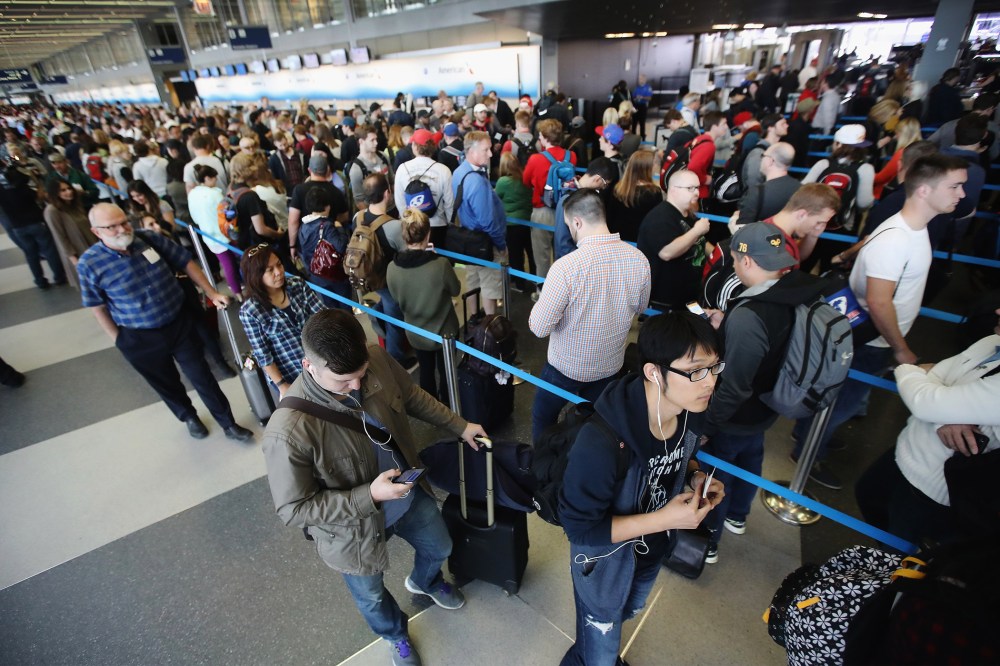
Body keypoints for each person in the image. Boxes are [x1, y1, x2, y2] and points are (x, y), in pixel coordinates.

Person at [261, 309, 487, 666]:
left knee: (441, 546)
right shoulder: (287, 432)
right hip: (351, 532)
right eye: (343, 381)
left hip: (406, 496)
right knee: (371, 596)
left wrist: (458, 425)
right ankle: (395, 635)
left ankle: (425, 581)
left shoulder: (377, 358)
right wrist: (369, 496)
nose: (356, 386)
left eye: (361, 375)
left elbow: (411, 396)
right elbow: (294, 508)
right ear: (309, 367)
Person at [792, 154, 970, 489]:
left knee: (839, 400)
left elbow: (870, 242)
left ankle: (813, 437)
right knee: (841, 402)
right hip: (871, 338)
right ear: (924, 191)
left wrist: (846, 254)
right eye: (954, 185)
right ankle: (807, 452)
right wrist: (901, 350)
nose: (961, 194)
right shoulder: (898, 240)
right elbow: (877, 299)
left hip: (873, 336)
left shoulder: (904, 228)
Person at [558, 312, 725, 666]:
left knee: (627, 611)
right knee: (600, 647)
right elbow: (580, 529)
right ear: (653, 372)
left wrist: (695, 477)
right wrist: (664, 518)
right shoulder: (602, 442)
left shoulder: (689, 408)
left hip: (651, 551)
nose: (709, 382)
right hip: (604, 563)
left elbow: (681, 459)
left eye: (714, 368)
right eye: (696, 370)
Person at [701, 222, 826, 563]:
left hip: (737, 412)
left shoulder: (749, 316)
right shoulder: (792, 290)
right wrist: (726, 324)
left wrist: (707, 426)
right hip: (770, 403)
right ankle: (739, 515)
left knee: (719, 469)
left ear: (747, 262)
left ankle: (709, 537)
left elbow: (735, 386)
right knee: (751, 457)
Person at [77, 203, 253, 442]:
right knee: (166, 383)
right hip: (138, 337)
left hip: (177, 322)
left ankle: (228, 423)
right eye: (112, 227)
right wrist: (118, 340)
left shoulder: (149, 239)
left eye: (124, 222)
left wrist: (212, 293)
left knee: (202, 376)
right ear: (96, 231)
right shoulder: (89, 264)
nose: (122, 229)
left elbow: (186, 262)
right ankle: (188, 416)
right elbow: (96, 306)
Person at [855, 306, 999, 546]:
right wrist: (944, 414)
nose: (997, 309)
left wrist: (908, 370)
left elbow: (924, 400)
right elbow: (937, 374)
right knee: (867, 496)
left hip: (934, 490)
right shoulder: (991, 342)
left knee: (897, 554)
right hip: (905, 452)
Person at [529, 189, 651, 442]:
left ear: (577, 222)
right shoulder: (638, 259)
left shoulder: (566, 268)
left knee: (543, 418)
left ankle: (541, 470)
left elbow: (539, 328)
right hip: (609, 366)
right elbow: (640, 309)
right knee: (599, 430)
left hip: (564, 368)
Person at [386, 208, 461, 400]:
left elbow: (395, 298)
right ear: (428, 234)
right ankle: (450, 404)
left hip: (415, 332)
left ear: (404, 235)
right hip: (445, 331)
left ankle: (432, 410)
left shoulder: (392, 268)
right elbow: (456, 289)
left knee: (425, 372)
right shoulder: (441, 264)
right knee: (447, 372)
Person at [238, 244, 325, 402]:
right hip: (291, 374)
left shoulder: (297, 285)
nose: (278, 272)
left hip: (320, 361)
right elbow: (263, 355)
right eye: (270, 270)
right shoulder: (250, 311)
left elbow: (323, 316)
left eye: (279, 264)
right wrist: (282, 385)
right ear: (256, 275)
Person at [637, 169, 711, 310]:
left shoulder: (688, 215)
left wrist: (720, 255)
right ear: (673, 190)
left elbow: (699, 241)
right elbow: (667, 252)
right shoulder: (660, 217)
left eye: (697, 187)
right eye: (690, 188)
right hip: (665, 300)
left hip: (689, 295)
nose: (697, 192)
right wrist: (696, 231)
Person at [453, 131, 508, 315]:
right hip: (486, 243)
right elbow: (488, 222)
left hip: (469, 240)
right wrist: (501, 245)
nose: (491, 154)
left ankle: (475, 319)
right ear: (472, 151)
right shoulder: (476, 182)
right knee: (490, 287)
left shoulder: (459, 172)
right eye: (486, 150)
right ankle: (489, 327)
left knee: (473, 281)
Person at [522, 119, 576, 281]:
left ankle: (543, 291)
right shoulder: (571, 156)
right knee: (563, 254)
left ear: (545, 138)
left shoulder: (535, 159)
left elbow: (526, 181)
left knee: (542, 255)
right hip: (566, 210)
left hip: (542, 210)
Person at [0, 164, 67, 290]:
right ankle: (59, 277)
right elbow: (39, 197)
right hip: (36, 222)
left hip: (17, 226)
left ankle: (40, 281)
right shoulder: (22, 187)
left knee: (30, 255)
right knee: (49, 250)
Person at [393, 128, 454, 247]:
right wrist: (449, 222)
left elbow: (400, 202)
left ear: (415, 147)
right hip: (438, 225)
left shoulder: (402, 168)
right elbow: (449, 203)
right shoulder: (444, 170)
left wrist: (406, 219)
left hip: (412, 225)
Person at [188, 164, 241, 295]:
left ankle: (237, 291)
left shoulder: (192, 194)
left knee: (227, 264)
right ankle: (244, 286)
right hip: (225, 234)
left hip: (208, 236)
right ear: (207, 178)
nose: (216, 180)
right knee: (239, 261)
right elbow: (226, 215)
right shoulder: (215, 194)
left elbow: (194, 218)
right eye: (214, 178)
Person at [297, 185, 353, 309]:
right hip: (333, 275)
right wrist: (340, 228)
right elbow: (341, 247)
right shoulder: (326, 225)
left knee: (331, 308)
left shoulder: (303, 226)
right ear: (327, 206)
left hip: (317, 276)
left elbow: (304, 252)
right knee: (346, 307)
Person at [288, 152, 349, 263]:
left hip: (306, 243)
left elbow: (293, 221)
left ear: (309, 170)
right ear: (327, 170)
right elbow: (345, 216)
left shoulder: (299, 190)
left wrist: (292, 245)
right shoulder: (336, 191)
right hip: (331, 247)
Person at [552, 157, 615, 262]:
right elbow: (562, 242)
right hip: (574, 262)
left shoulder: (590, 196)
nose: (604, 188)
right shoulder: (567, 199)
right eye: (605, 184)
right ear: (597, 179)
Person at [494, 151, 535, 291]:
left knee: (516, 255)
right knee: (531, 252)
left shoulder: (502, 182)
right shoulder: (525, 178)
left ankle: (519, 284)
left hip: (512, 225)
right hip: (529, 222)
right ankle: (536, 281)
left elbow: (495, 199)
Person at [732, 142, 800, 225]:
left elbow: (742, 228)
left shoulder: (756, 193)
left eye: (763, 156)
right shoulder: (801, 189)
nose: (761, 159)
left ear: (770, 161)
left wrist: (734, 220)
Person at [43, 178, 94, 287]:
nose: (68, 192)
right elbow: (59, 237)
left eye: (69, 188)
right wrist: (73, 258)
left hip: (91, 245)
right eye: (63, 190)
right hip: (78, 251)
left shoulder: (74, 204)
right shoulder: (52, 211)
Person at [605, 149, 663, 243]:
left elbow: (610, 217)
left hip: (617, 240)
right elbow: (656, 222)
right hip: (640, 241)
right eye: (655, 163)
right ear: (647, 168)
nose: (657, 166)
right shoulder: (654, 192)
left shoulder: (618, 188)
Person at [873, 117, 923, 199]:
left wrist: (866, 173)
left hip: (894, 194)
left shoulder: (902, 153)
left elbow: (881, 178)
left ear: (902, 134)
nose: (895, 137)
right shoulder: (922, 151)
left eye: (897, 134)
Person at [690, 112, 729, 201]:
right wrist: (705, 179)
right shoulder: (708, 146)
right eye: (724, 123)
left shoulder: (699, 139)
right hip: (699, 193)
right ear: (714, 126)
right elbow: (693, 167)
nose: (726, 127)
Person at [631, 74, 653, 141]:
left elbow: (649, 98)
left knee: (642, 123)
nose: (640, 80)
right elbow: (633, 96)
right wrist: (635, 98)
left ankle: (642, 137)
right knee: (634, 122)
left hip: (643, 107)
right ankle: (633, 136)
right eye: (639, 79)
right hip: (636, 106)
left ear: (644, 79)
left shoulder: (648, 88)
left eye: (641, 79)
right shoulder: (636, 88)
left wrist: (642, 97)